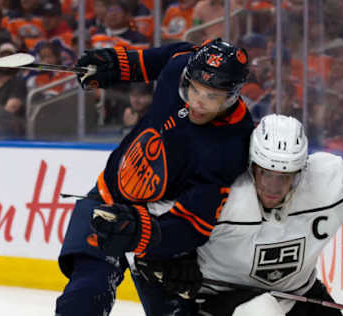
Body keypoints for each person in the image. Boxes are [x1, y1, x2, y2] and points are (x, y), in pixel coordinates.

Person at [133, 114, 343, 316]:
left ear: (301, 170)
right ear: (251, 166)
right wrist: (168, 257)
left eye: (285, 177)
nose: (273, 187)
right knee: (261, 311)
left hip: (298, 296)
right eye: (265, 174)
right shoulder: (220, 189)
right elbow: (145, 226)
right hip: (215, 302)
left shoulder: (327, 180)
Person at [55, 38, 254, 316]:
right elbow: (152, 60)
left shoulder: (232, 143)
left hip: (160, 227)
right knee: (83, 299)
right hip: (109, 199)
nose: (198, 102)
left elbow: (195, 222)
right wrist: (115, 65)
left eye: (212, 96)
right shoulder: (181, 62)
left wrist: (143, 234)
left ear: (232, 95)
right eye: (194, 89)